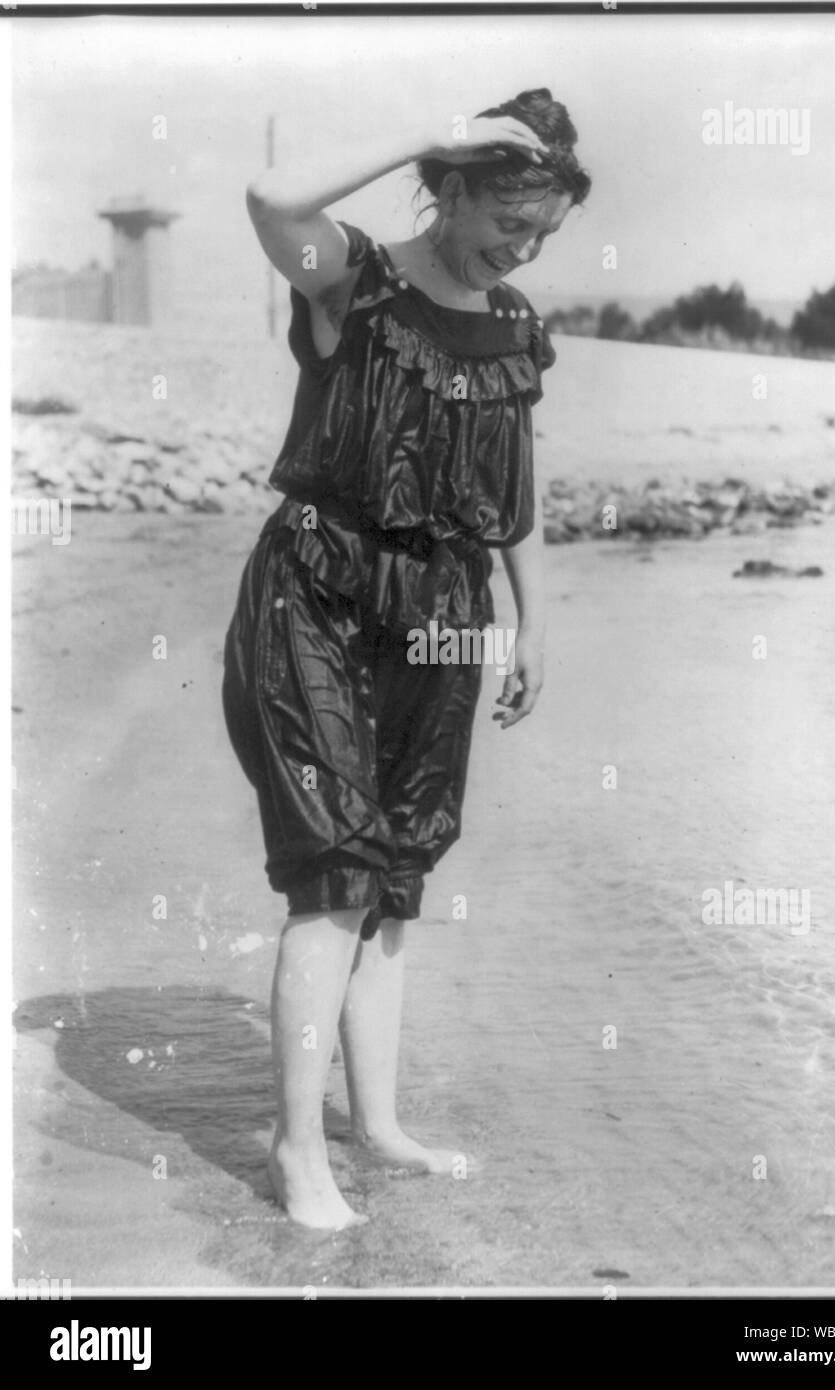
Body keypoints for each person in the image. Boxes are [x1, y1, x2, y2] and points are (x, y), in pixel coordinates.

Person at [222, 88, 591, 1229]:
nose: (519, 253)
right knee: (334, 874)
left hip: (440, 609)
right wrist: (430, 124)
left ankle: (373, 1122)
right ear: (453, 186)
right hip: (315, 592)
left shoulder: (516, 324)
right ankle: (298, 1152)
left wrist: (533, 621)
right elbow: (271, 197)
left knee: (392, 884)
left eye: (540, 237)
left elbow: (514, 488)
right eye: (505, 225)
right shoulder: (356, 279)